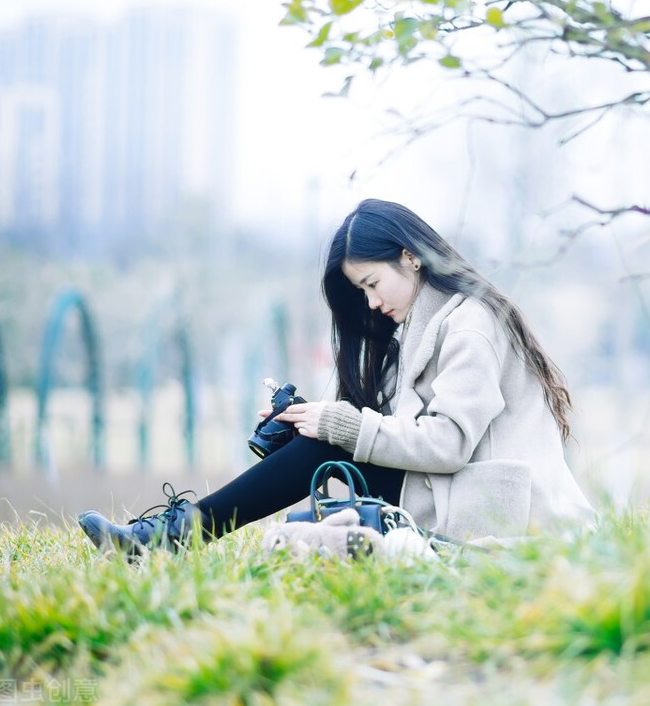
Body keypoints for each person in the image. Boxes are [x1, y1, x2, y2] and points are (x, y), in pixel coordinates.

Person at [78, 199, 595, 555]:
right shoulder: (418, 332)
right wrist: (310, 419)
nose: (371, 303)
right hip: (457, 498)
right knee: (325, 437)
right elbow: (391, 434)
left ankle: (174, 537)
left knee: (335, 439)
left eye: (372, 283)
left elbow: (447, 444)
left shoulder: (470, 324)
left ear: (409, 257)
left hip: (506, 514)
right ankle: (173, 536)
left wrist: (339, 426)